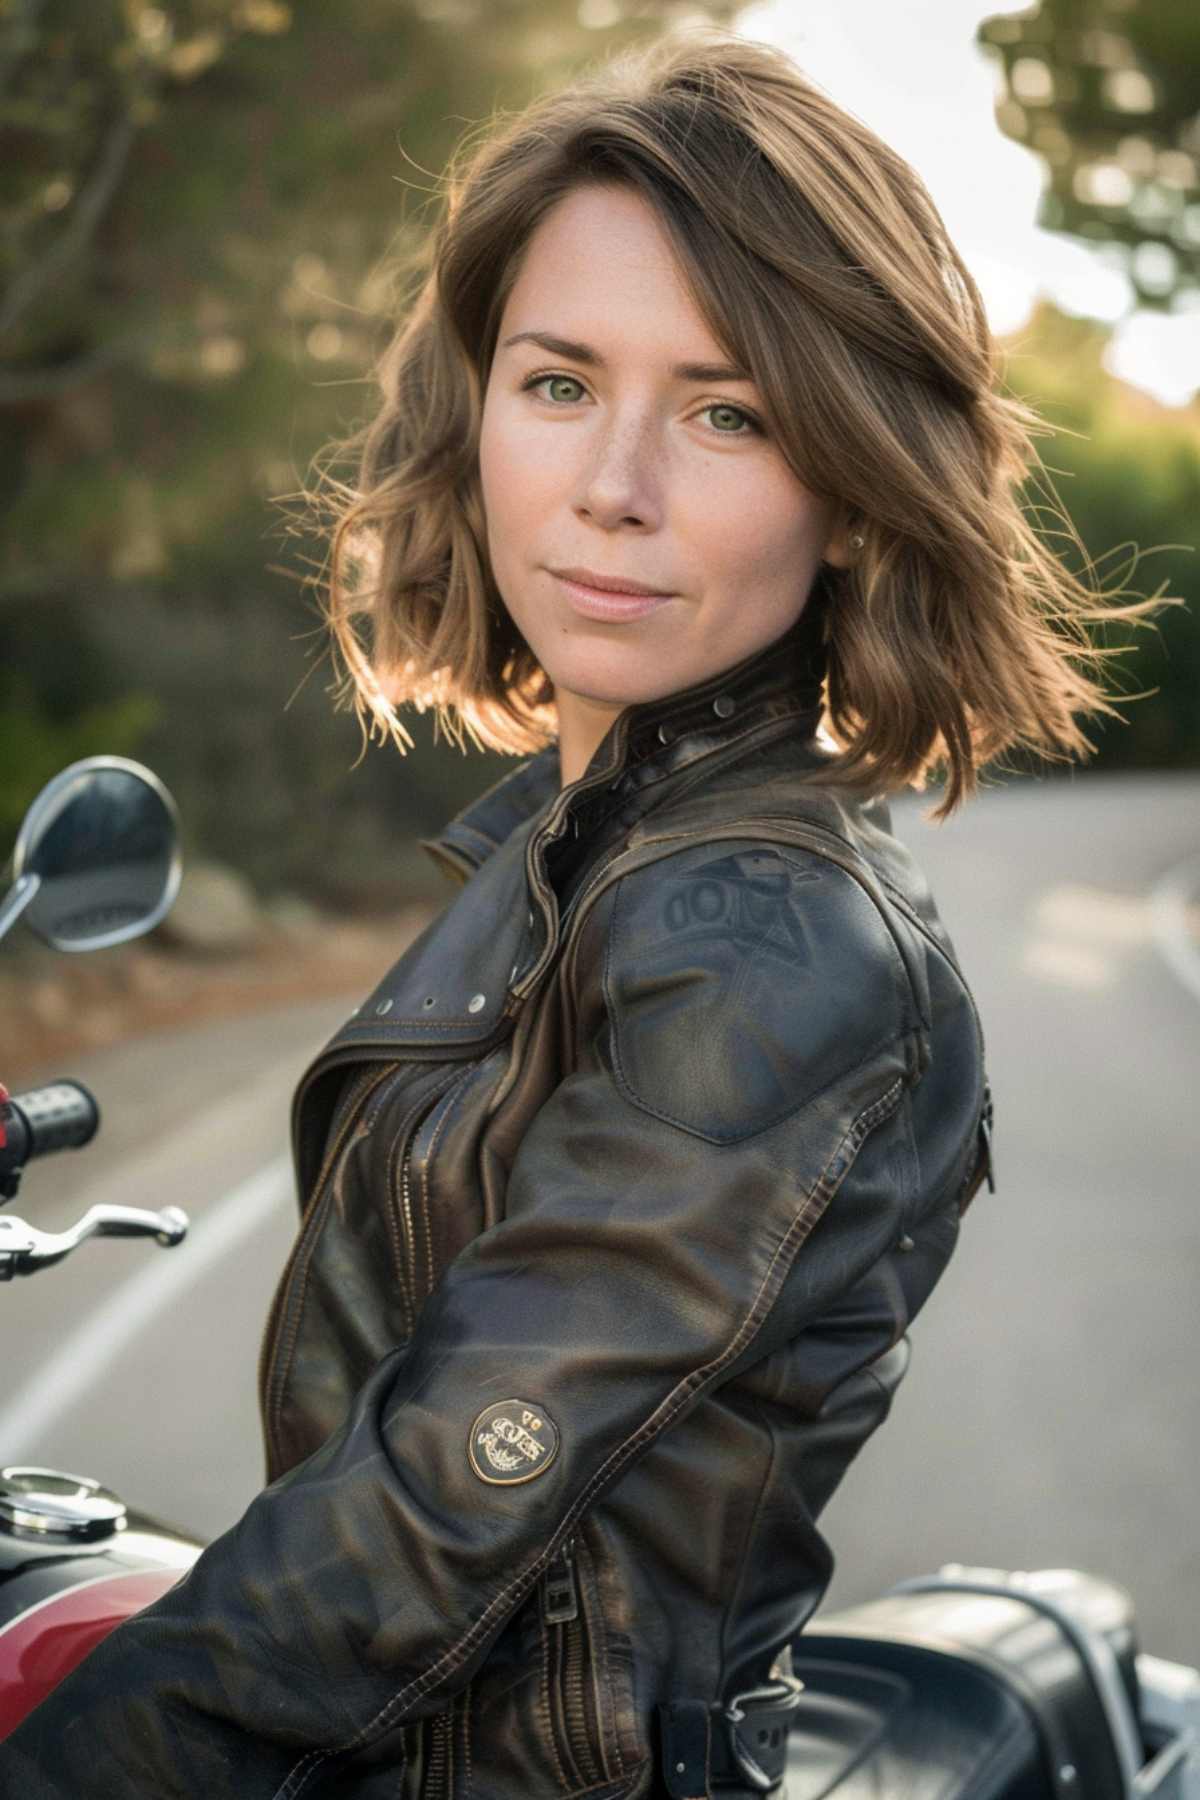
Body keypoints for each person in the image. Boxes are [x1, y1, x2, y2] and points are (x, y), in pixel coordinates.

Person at [3, 27, 1173, 1800]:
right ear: (475, 411)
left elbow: (433, 1514)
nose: (613, 484)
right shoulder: (586, 853)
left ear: (854, 484)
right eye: (559, 382)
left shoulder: (769, 938)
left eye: (727, 411)